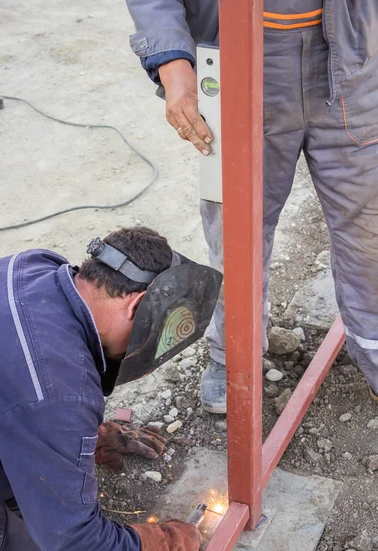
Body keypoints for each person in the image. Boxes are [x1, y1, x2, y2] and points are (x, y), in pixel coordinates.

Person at [125, 0, 378, 413]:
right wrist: (172, 62)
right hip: (237, 56)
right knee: (236, 229)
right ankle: (232, 356)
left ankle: (374, 344)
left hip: (354, 58)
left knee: (369, 224)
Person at [0, 226, 222, 551]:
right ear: (137, 306)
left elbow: (14, 388)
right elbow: (74, 543)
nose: (147, 363)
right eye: (149, 335)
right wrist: (160, 550)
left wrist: (74, 437)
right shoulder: (56, 389)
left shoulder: (33, 268)